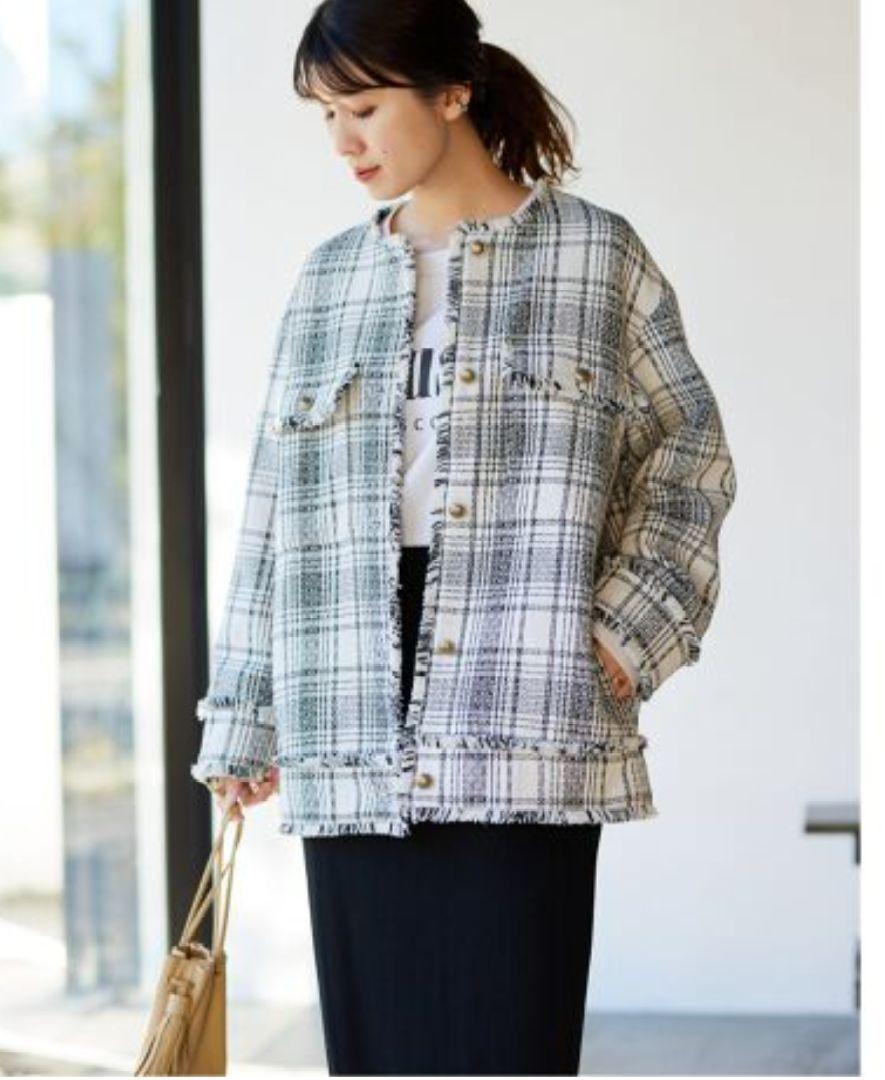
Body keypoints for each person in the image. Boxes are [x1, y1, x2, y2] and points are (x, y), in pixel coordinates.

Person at [199, 0, 738, 1074]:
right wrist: (244, 714)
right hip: (348, 691)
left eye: (363, 108)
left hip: (524, 685)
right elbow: (273, 510)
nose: (343, 141)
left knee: (508, 1038)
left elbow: (690, 458)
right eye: (325, 116)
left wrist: (624, 631)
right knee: (379, 1047)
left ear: (452, 93)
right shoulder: (327, 279)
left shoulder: (597, 256)